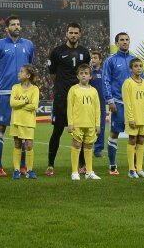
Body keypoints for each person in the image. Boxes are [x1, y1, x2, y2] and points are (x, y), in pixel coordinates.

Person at [0, 16, 35, 177]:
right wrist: (1, 82)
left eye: (18, 24)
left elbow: (30, 67)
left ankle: (22, 166)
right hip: (5, 92)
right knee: (1, 127)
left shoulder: (28, 45)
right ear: (6, 28)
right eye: (13, 24)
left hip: (23, 92)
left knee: (21, 130)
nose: (16, 26)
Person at [45, 23, 91, 176]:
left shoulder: (85, 52)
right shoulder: (57, 52)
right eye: (70, 32)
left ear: (80, 34)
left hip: (79, 100)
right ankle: (50, 165)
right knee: (57, 131)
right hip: (62, 98)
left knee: (82, 132)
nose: (73, 35)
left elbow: (85, 73)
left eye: (76, 33)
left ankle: (82, 164)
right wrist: (62, 88)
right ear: (66, 34)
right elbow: (52, 75)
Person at [101, 32, 141, 175]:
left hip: (135, 104)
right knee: (114, 133)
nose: (125, 42)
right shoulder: (110, 61)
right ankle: (112, 165)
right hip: (118, 102)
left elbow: (143, 80)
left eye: (127, 40)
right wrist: (110, 100)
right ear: (116, 43)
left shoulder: (135, 60)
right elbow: (105, 80)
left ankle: (135, 166)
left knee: (135, 134)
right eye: (121, 40)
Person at [67, 65, 101, 181]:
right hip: (77, 123)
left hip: (90, 124)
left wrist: (97, 124)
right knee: (76, 145)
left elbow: (97, 109)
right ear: (77, 76)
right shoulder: (73, 89)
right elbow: (70, 108)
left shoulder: (94, 91)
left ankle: (89, 171)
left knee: (88, 146)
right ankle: (74, 172)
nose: (83, 75)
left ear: (90, 76)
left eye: (86, 73)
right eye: (81, 73)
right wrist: (70, 123)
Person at [122, 58, 144, 179]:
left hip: (143, 117)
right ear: (131, 68)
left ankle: (139, 169)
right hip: (133, 118)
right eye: (136, 66)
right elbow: (127, 102)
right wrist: (130, 118)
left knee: (141, 140)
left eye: (140, 66)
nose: (139, 68)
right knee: (132, 140)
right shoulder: (127, 83)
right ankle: (131, 169)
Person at [9, 64, 41, 179]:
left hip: (28, 122)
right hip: (16, 120)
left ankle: (30, 170)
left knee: (28, 145)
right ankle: (16, 170)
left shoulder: (35, 89)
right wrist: (25, 102)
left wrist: (20, 102)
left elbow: (34, 106)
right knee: (17, 144)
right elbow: (12, 103)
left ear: (28, 75)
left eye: (21, 71)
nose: (19, 73)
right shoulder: (15, 87)